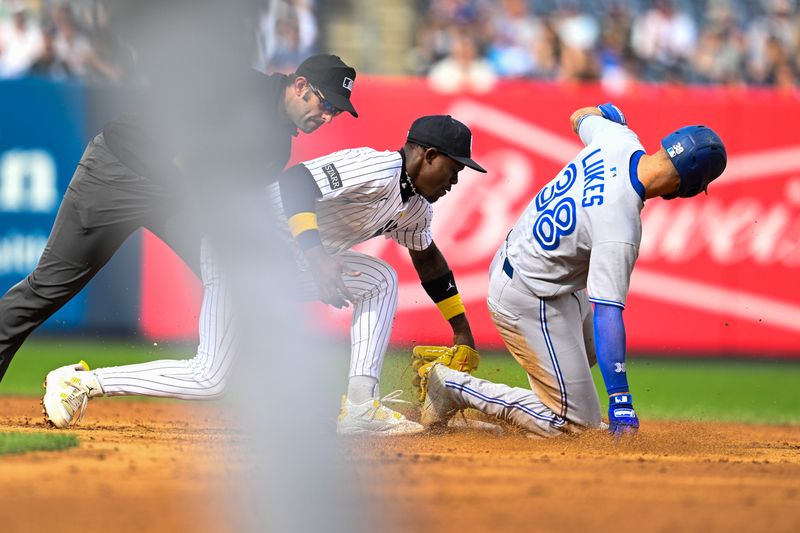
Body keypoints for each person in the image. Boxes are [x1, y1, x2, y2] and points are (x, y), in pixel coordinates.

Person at [43, 115, 485, 437]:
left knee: (381, 280)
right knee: (209, 376)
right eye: (455, 166)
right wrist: (316, 257)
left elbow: (428, 260)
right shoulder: (375, 168)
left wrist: (462, 330)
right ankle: (81, 381)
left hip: (284, 260)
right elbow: (296, 185)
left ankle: (361, 408)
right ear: (428, 155)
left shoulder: (415, 208)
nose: (457, 178)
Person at [0, 54, 358, 395]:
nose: (328, 117)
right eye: (326, 104)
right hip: (116, 175)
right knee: (48, 288)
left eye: (337, 112)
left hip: (176, 197)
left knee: (244, 282)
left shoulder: (278, 147)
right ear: (299, 86)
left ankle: (277, 404)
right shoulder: (237, 88)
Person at [417, 103, 727, 438]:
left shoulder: (617, 138)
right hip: (527, 296)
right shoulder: (619, 224)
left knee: (586, 360)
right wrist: (620, 400)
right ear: (690, 186)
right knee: (577, 424)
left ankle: (551, 402)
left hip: (543, 276)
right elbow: (607, 314)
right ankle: (450, 386)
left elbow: (580, 115)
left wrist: (609, 114)